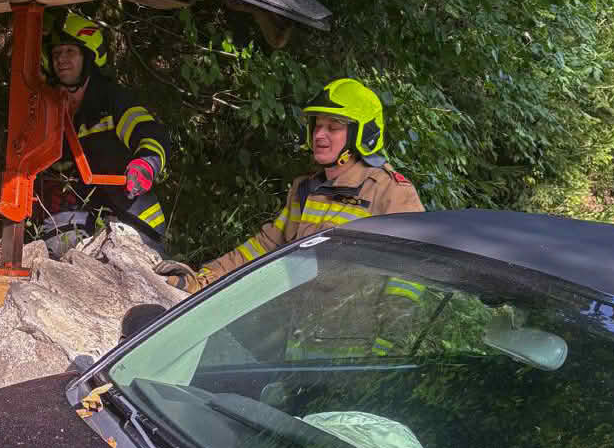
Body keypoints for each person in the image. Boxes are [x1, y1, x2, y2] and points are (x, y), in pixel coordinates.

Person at [157, 77, 423, 292]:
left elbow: (412, 279)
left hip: (352, 350)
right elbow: (264, 248)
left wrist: (384, 351)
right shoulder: (307, 189)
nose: (319, 134)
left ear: (363, 134)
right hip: (293, 336)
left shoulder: (391, 193)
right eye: (317, 125)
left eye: (333, 127)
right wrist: (204, 280)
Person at [34, 12, 171, 256]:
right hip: (80, 209)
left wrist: (147, 164)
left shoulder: (111, 101)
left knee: (149, 275)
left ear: (88, 58)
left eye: (70, 52)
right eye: (56, 53)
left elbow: (148, 133)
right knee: (60, 251)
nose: (61, 59)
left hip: (134, 211)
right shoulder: (51, 107)